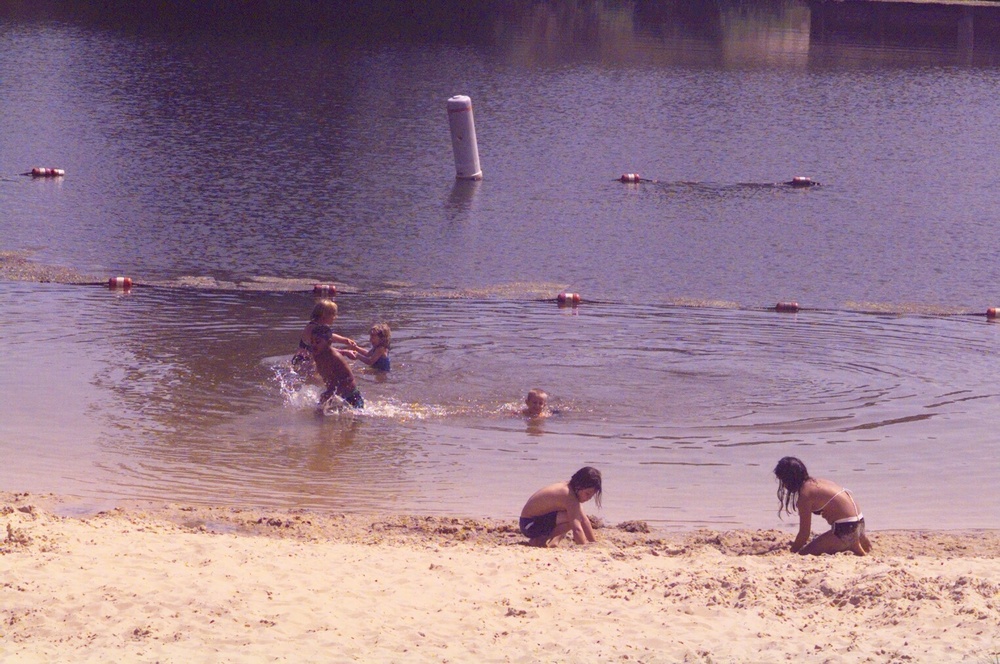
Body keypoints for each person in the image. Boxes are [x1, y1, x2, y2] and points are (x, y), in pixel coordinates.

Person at [774, 456, 872, 556]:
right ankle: (855, 541)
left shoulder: (805, 495)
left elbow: (804, 534)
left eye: (783, 481)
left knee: (804, 552)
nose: (784, 486)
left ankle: (850, 543)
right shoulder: (820, 482)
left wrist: (793, 551)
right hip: (860, 522)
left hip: (846, 528)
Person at [519, 467, 602, 547]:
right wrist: (584, 546)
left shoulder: (570, 490)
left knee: (574, 515)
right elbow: (577, 529)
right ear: (578, 486)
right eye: (587, 494)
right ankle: (540, 539)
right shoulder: (568, 495)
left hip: (529, 523)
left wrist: (593, 543)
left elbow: (585, 520)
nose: (589, 498)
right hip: (529, 525)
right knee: (572, 518)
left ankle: (551, 542)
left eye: (592, 495)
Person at [291, 300, 357, 373]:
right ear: (324, 315)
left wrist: (344, 340)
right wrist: (345, 352)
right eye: (334, 314)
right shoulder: (315, 329)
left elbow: (330, 336)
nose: (335, 317)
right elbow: (325, 350)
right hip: (305, 363)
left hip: (300, 361)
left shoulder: (313, 326)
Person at [311, 324, 364, 411]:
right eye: (311, 342)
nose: (313, 345)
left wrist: (332, 392)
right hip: (335, 394)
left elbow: (349, 378)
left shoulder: (335, 358)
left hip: (351, 396)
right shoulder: (317, 353)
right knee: (319, 413)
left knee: (356, 420)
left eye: (317, 342)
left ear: (329, 342)